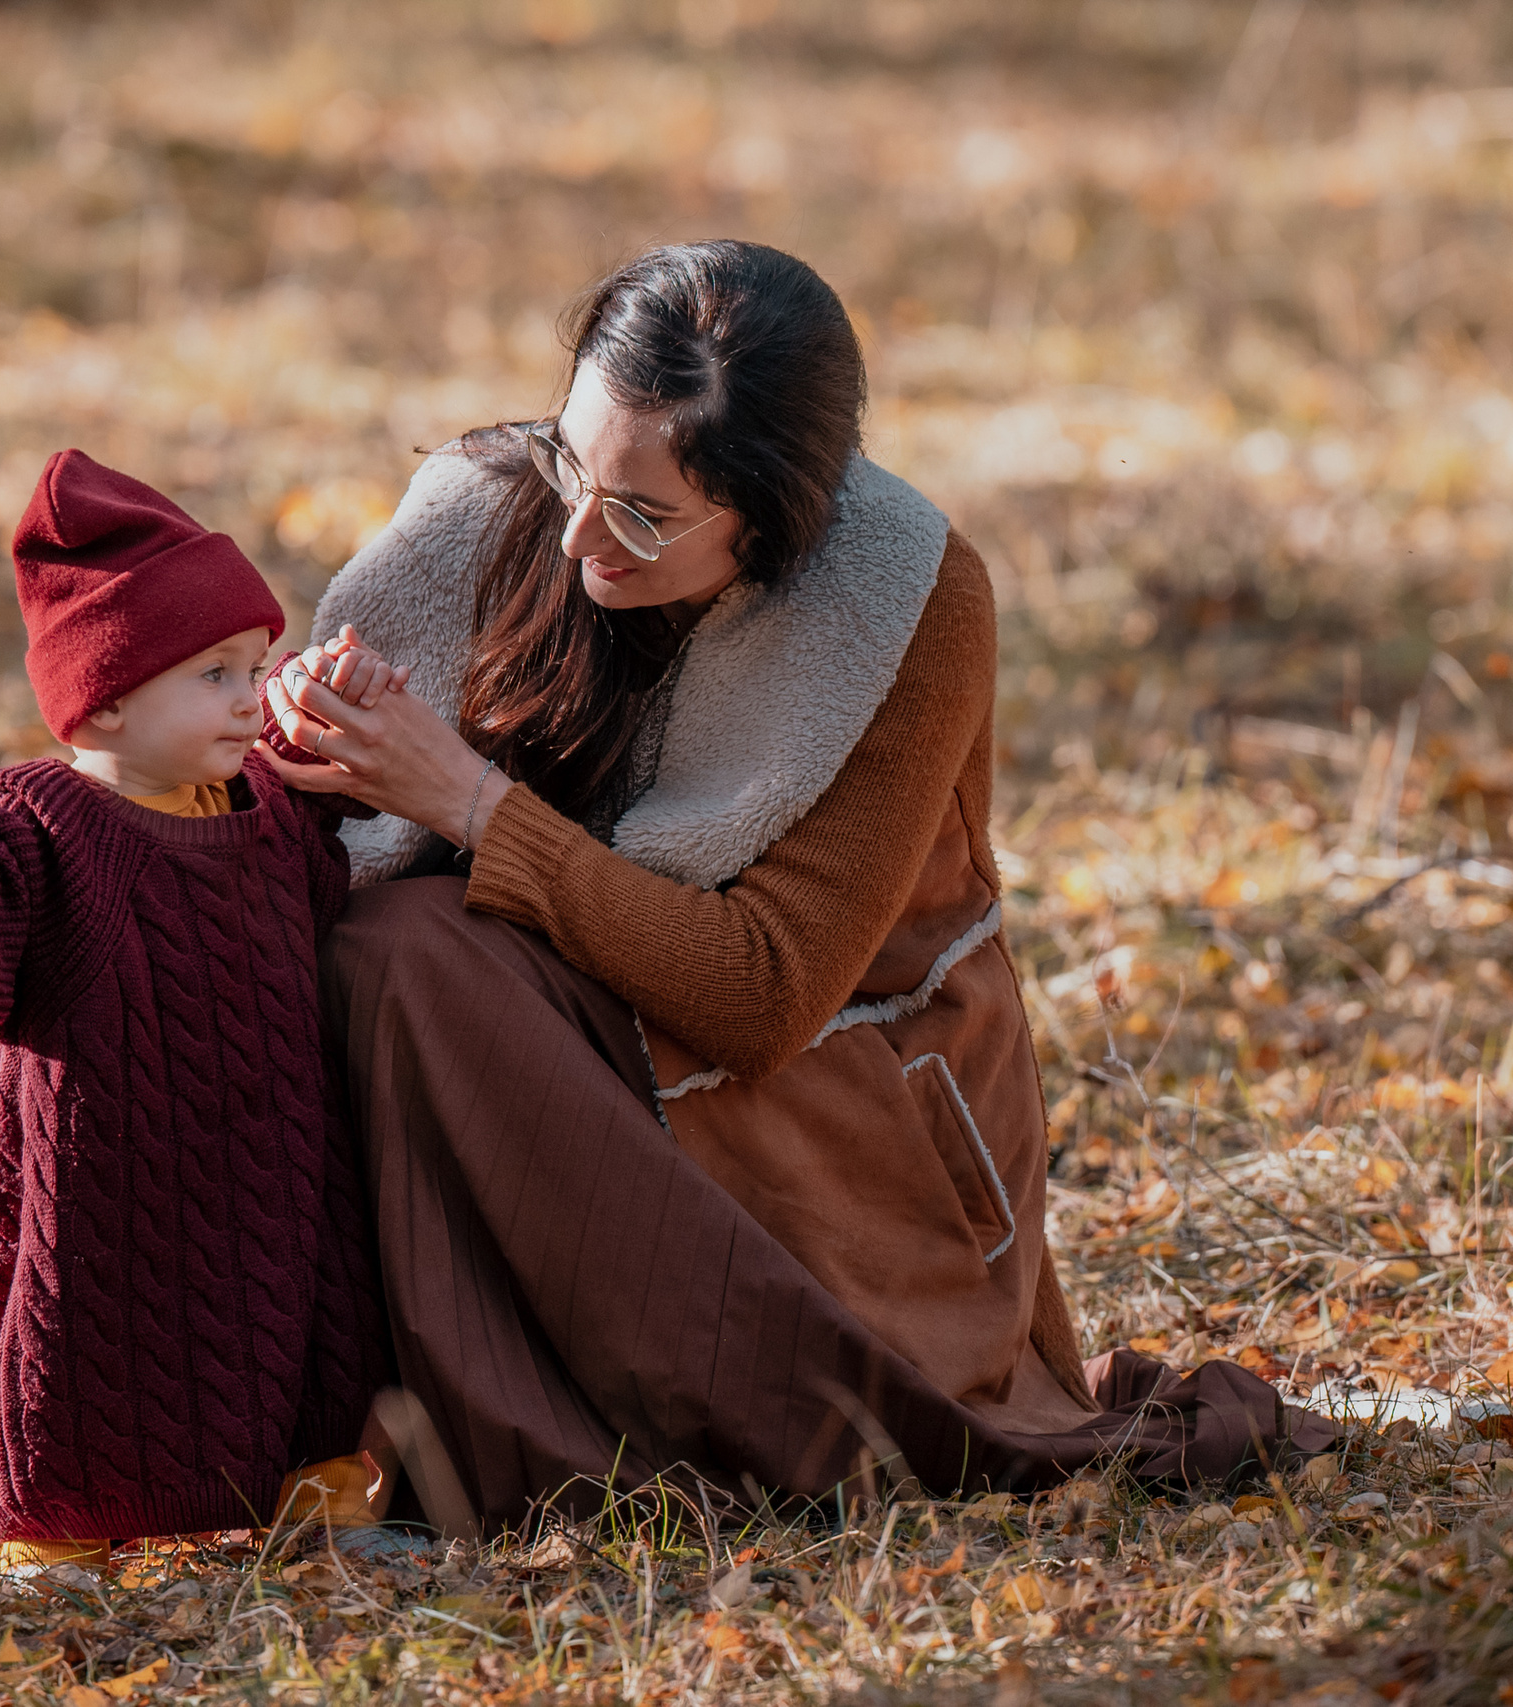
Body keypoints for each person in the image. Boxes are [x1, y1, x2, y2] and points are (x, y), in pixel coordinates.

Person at [262, 240, 1333, 1536]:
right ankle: (376, 1407)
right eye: (572, 463)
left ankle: (526, 1464)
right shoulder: (509, 505)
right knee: (377, 940)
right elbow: (349, 834)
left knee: (412, 955)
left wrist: (474, 806)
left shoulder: (908, 603)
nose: (579, 532)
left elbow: (764, 992)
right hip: (586, 1009)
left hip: (828, 1104)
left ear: (774, 519)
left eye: (647, 513)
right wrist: (314, 742)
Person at [0, 449, 406, 1568]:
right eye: (214, 675)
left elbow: (321, 877)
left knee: (312, 1306)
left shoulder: (257, 801)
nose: (247, 696)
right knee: (106, 1338)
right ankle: (72, 1523)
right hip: (110, 1164)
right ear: (112, 701)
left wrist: (337, 734)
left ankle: (318, 1479)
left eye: (254, 664)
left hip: (268, 1142)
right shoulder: (45, 824)